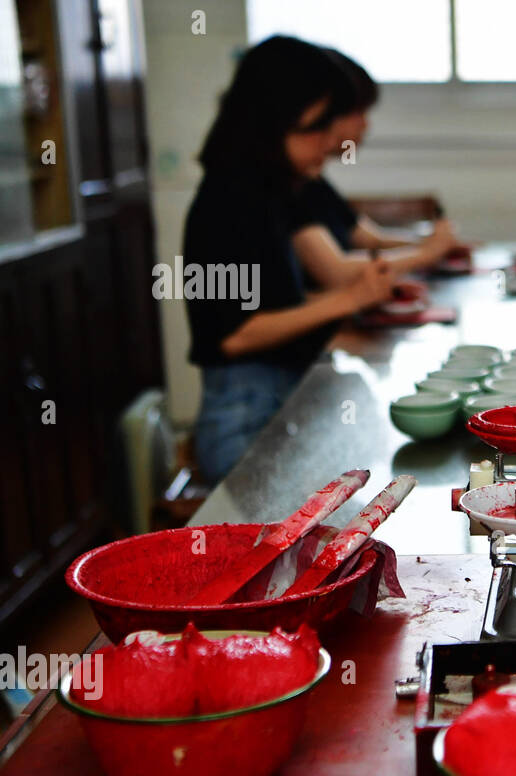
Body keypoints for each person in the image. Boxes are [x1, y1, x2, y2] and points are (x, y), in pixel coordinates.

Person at [184, 36, 394, 483]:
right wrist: (348, 297)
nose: (330, 140)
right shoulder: (225, 201)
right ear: (270, 121)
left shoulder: (272, 192)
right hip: (243, 425)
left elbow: (281, 301)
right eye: (317, 126)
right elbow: (234, 336)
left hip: (283, 401)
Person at [291, 48, 464, 290]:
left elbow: (370, 240)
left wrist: (429, 245)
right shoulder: (281, 188)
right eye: (356, 112)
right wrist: (427, 252)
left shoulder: (313, 181)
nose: (365, 125)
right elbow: (336, 273)